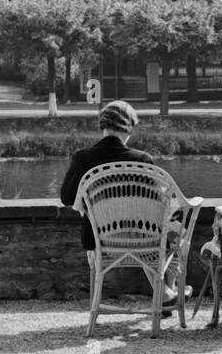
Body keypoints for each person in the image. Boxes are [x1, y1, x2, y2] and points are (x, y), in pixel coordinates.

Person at [59, 100, 187, 310]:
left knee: (163, 233)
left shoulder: (82, 158)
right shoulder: (142, 160)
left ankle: (165, 294)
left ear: (103, 126)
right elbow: (160, 204)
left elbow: (67, 197)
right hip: (146, 241)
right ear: (129, 127)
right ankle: (165, 294)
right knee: (175, 234)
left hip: (101, 240)